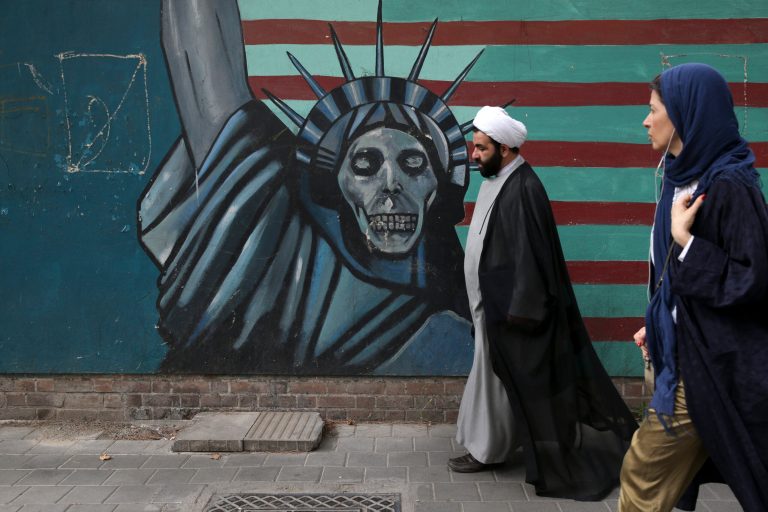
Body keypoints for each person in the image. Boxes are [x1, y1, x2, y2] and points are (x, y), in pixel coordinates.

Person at [137, 0, 479, 374]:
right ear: (337, 184)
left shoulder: (450, 325)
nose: (392, 185)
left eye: (414, 164)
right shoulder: (277, 237)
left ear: (438, 186)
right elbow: (205, 77)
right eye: (365, 164)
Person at [450, 106, 638, 499]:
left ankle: (487, 451)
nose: (474, 155)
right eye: (474, 147)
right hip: (493, 309)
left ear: (504, 148)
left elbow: (533, 259)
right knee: (493, 382)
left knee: (497, 382)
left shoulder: (525, 187)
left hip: (511, 314)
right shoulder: (501, 180)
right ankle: (491, 446)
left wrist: (519, 314)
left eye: (481, 148)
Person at [619, 63, 768, 511]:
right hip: (682, 352)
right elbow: (668, 273)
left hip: (710, 365)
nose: (646, 121)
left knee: (642, 473)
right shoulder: (684, 174)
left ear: (685, 115)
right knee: (668, 478)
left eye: (652, 110)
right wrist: (659, 320)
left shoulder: (730, 185)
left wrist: (686, 242)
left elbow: (752, 278)